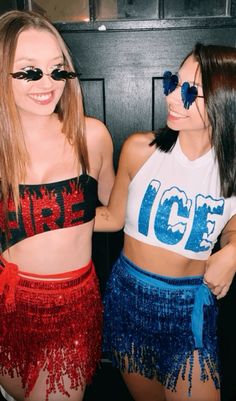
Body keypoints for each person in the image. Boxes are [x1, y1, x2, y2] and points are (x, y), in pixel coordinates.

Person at [95, 43, 236, 401]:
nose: (173, 97)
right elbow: (111, 217)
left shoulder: (230, 171)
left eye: (191, 92)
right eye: (174, 82)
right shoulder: (140, 150)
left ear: (225, 102)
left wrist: (233, 250)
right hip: (128, 299)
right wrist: (48, 220)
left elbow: (232, 224)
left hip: (187, 312)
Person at [0, 9, 114, 401]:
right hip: (7, 304)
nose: (47, 83)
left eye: (56, 69)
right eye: (29, 71)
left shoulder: (92, 136)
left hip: (71, 309)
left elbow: (113, 216)